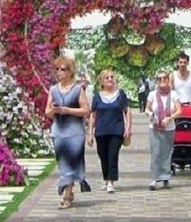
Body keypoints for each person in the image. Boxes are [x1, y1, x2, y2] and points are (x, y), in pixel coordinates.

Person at [45, 57, 91, 208]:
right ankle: (68, 189)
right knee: (63, 163)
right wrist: (54, 110)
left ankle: (66, 195)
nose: (59, 72)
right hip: (58, 132)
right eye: (57, 69)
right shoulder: (53, 90)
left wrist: (67, 110)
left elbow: (86, 110)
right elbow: (48, 113)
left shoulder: (78, 89)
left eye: (63, 69)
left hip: (75, 133)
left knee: (73, 162)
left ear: (71, 72)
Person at [89, 69, 132, 194]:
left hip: (116, 131)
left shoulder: (120, 95)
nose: (110, 79)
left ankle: (111, 181)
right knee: (103, 156)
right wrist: (90, 133)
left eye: (112, 77)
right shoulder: (97, 97)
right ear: (102, 81)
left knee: (112, 155)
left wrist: (128, 128)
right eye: (107, 77)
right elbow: (93, 114)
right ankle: (106, 178)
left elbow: (127, 111)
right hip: (101, 131)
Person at [146, 70, 177, 190]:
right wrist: (150, 114)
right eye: (160, 79)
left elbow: (179, 111)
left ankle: (165, 178)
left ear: (168, 80)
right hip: (154, 127)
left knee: (167, 152)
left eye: (165, 78)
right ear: (157, 81)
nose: (162, 80)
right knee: (156, 152)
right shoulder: (152, 94)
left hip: (169, 128)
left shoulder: (173, 94)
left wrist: (170, 118)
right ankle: (154, 178)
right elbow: (147, 109)